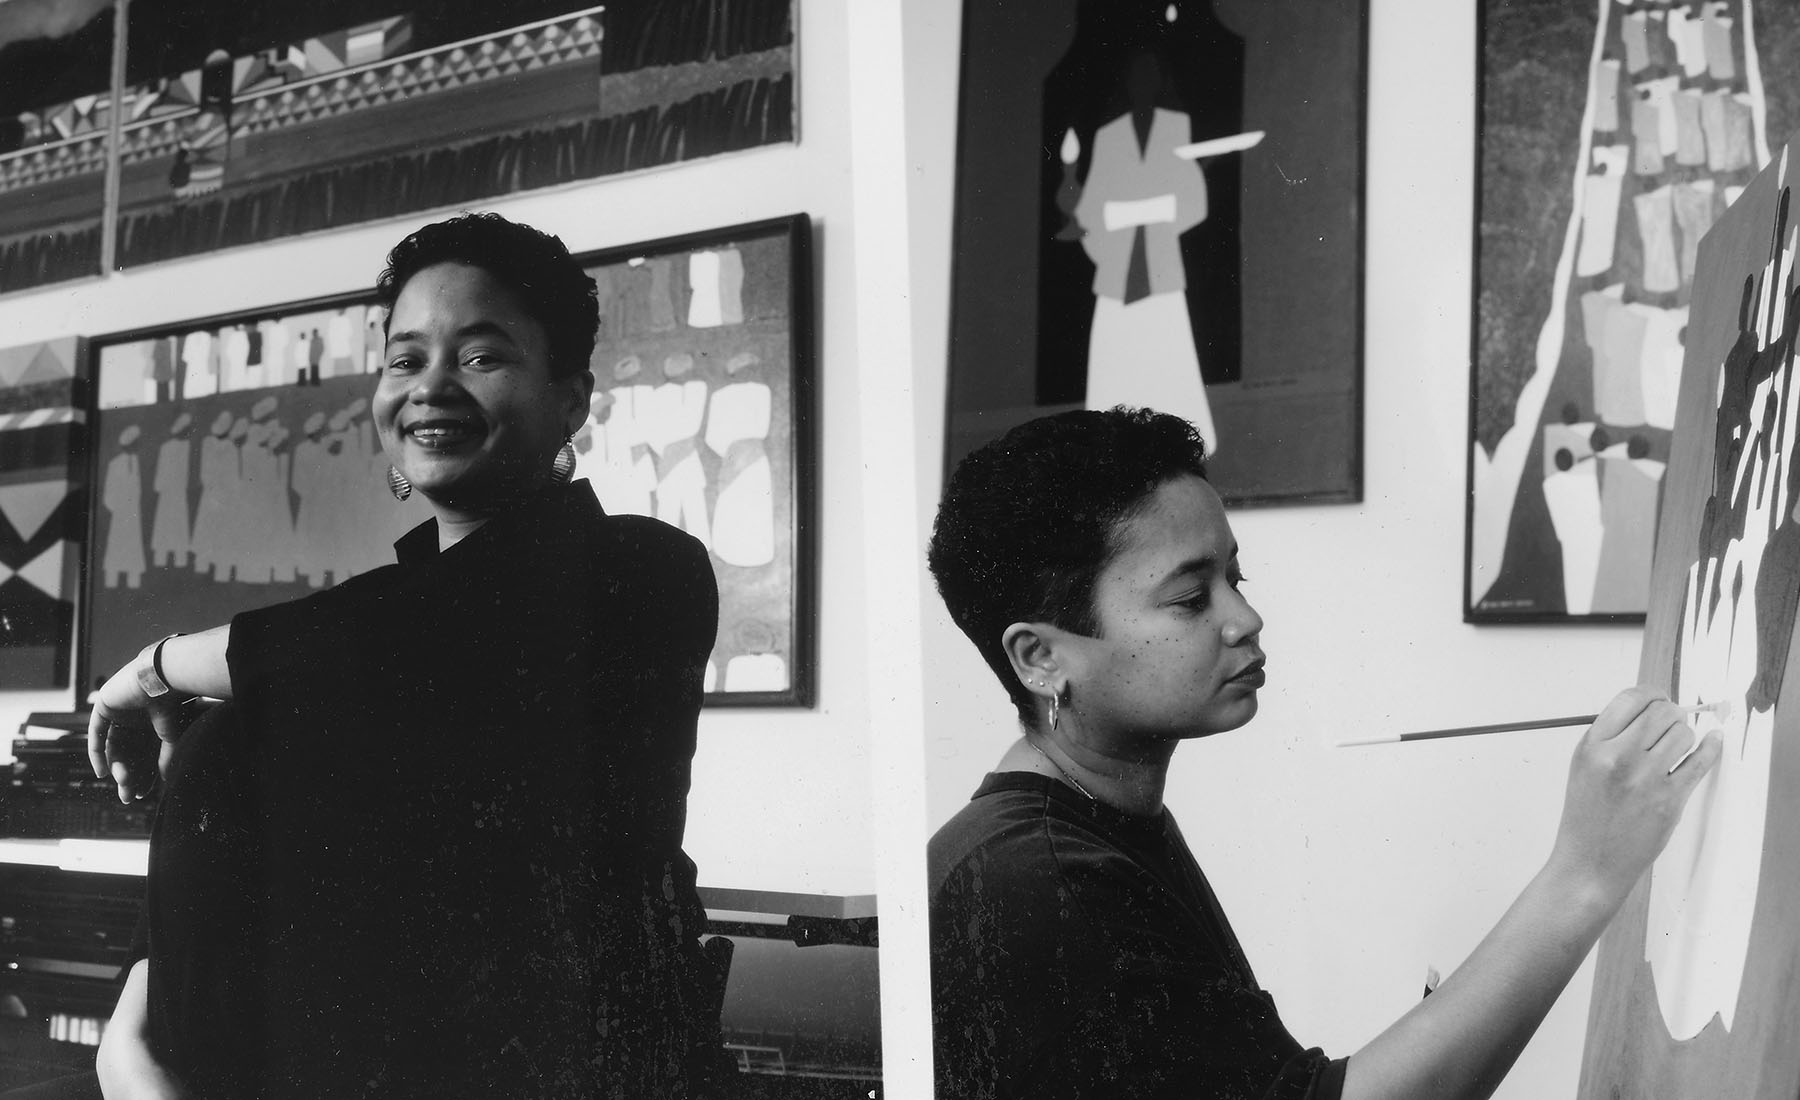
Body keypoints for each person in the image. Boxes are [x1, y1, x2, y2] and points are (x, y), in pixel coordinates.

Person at [79, 213, 724, 1099]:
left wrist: (151, 666)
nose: (431, 387)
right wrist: (133, 1033)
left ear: (570, 398)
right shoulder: (346, 645)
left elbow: (415, 632)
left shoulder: (638, 570)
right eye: (405, 358)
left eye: (481, 356)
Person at [925, 406, 1722, 1100]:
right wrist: (1586, 872)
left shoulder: (1092, 822)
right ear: (1039, 657)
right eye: (1190, 597)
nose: (1245, 618)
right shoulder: (1041, 882)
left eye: (1237, 576)